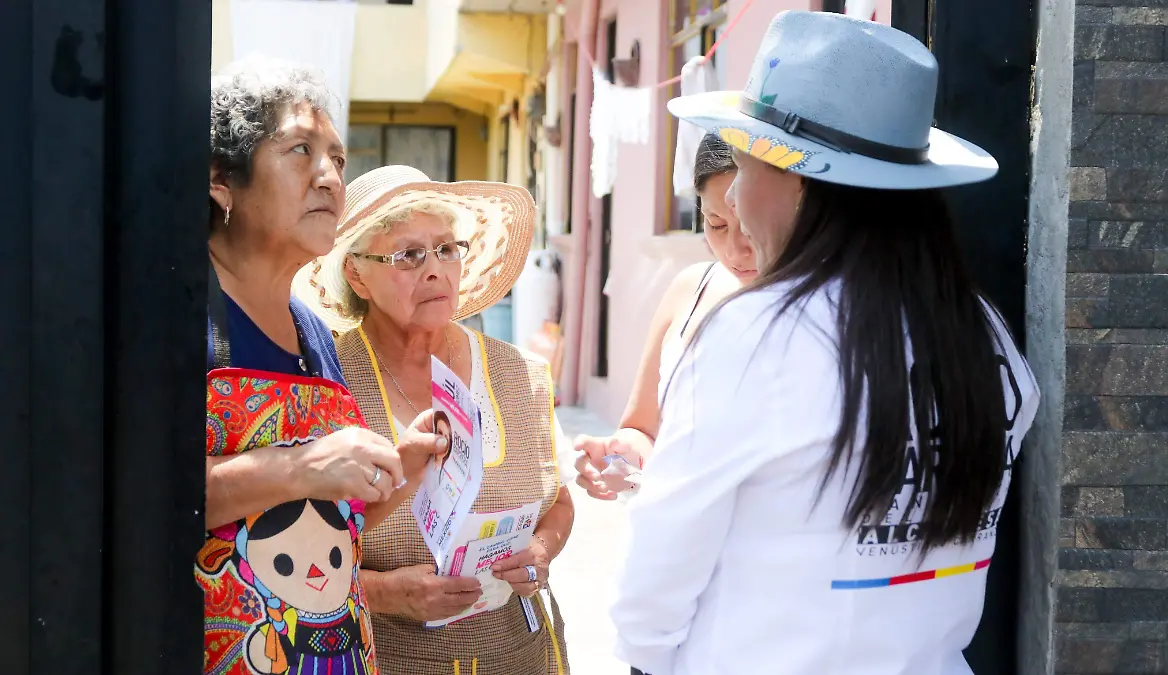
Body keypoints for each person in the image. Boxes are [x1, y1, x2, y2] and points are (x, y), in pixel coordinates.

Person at [610, 11, 1039, 675]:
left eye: (745, 165)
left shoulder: (759, 335)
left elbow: (658, 573)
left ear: (797, 181)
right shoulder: (986, 338)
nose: (740, 202)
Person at [198, 57, 445, 675]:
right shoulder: (171, 321)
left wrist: (400, 467)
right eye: (300, 150)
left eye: (336, 156)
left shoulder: (314, 333)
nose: (330, 176)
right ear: (222, 181)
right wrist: (303, 465)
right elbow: (134, 498)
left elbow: (328, 519)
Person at [296, 165, 574, 674]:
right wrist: (383, 592)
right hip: (385, 658)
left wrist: (540, 550)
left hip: (518, 654)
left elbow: (558, 504)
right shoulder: (328, 384)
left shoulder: (517, 373)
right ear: (357, 273)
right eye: (408, 255)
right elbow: (291, 546)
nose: (435, 270)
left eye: (447, 249)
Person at [572, 133, 754, 502]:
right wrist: (618, 461)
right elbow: (641, 429)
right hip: (674, 536)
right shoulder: (692, 288)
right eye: (716, 224)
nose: (735, 248)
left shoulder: (820, 306)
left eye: (750, 226)